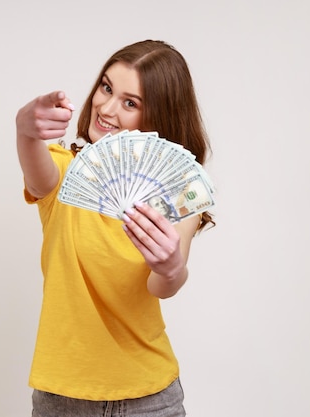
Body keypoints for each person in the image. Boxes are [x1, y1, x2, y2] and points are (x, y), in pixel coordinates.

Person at [15, 39, 214, 417]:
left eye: (130, 102)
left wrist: (171, 268)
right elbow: (37, 175)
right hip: (62, 398)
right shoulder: (63, 173)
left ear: (158, 119)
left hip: (150, 398)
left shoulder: (180, 191)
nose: (105, 108)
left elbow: (163, 285)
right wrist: (25, 128)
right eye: (106, 88)